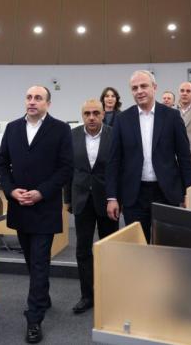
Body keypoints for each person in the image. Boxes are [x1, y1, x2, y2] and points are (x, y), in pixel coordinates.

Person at [0, 85, 73, 344]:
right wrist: (10, 191)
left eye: (38, 98)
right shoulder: (13, 128)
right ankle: (43, 297)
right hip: (20, 206)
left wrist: (42, 192)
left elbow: (66, 168)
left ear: (48, 103)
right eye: (29, 97)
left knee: (39, 262)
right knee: (31, 259)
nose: (32, 101)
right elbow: (1, 163)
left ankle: (34, 318)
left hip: (44, 206)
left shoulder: (60, 129)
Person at [105, 70, 191, 242]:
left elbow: (184, 157)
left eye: (143, 86)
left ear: (154, 87)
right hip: (134, 195)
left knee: (167, 246)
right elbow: (113, 161)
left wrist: (189, 192)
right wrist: (112, 197)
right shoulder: (123, 119)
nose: (139, 91)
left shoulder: (172, 116)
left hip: (166, 193)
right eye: (134, 88)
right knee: (139, 247)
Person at [64, 99, 118, 315]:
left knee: (109, 249)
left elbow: (119, 169)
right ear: (82, 115)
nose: (92, 117)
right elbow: (68, 170)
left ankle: (109, 293)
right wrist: (68, 199)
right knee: (83, 250)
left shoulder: (114, 134)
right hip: (82, 200)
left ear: (103, 114)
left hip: (108, 201)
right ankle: (87, 295)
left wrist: (118, 198)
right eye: (87, 113)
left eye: (96, 113)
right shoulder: (72, 135)